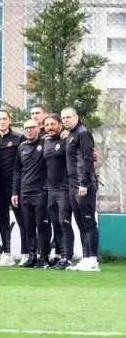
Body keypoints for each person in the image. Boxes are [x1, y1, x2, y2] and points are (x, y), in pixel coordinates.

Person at [61, 107, 100, 272]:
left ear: (76, 117)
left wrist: (84, 183)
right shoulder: (70, 134)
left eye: (69, 117)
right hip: (72, 185)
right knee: (80, 223)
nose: (66, 120)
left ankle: (93, 260)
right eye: (64, 118)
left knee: (89, 221)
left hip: (84, 185)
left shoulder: (83, 133)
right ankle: (85, 258)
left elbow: (88, 159)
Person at [0, 109, 24, 266]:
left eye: (4, 118)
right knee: (3, 221)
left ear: (9, 121)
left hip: (16, 187)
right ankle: (6, 254)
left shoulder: (19, 138)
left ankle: (26, 253)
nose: (2, 121)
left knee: (23, 221)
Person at [14, 118, 50, 268]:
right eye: (26, 128)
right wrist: (15, 192)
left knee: (42, 225)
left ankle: (44, 257)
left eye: (32, 127)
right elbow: (17, 170)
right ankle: (32, 256)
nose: (29, 130)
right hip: (25, 192)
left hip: (41, 192)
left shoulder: (45, 143)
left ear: (39, 128)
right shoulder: (21, 147)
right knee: (28, 226)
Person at [41, 115, 72, 270]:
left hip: (65, 189)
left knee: (64, 223)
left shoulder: (67, 139)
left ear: (59, 125)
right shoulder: (45, 141)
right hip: (50, 190)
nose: (49, 127)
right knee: (55, 224)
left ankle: (68, 258)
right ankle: (60, 256)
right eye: (46, 125)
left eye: (52, 124)